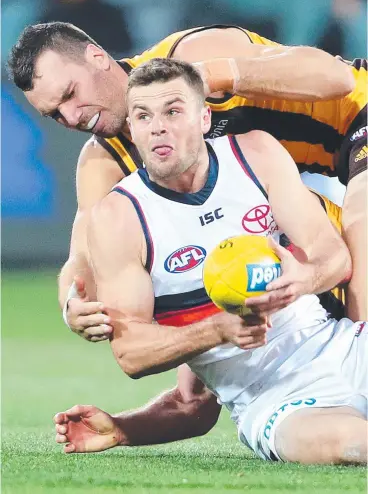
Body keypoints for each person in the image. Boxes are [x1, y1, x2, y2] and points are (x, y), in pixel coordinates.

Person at [54, 59, 366, 464]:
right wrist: (218, 330)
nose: (158, 126)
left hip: (343, 347)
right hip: (275, 403)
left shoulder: (255, 153)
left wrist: (304, 279)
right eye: (143, 116)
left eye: (173, 111)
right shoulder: (118, 218)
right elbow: (132, 353)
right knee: (351, 442)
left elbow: (334, 256)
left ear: (204, 118)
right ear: (132, 128)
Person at [7, 22, 367, 323]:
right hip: (312, 176)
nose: (71, 118)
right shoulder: (104, 159)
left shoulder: (189, 54)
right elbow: (82, 254)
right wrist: (73, 303)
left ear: (98, 58)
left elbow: (338, 78)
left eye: (71, 94)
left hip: (359, 115)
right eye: (55, 114)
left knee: (361, 223)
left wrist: (213, 75)